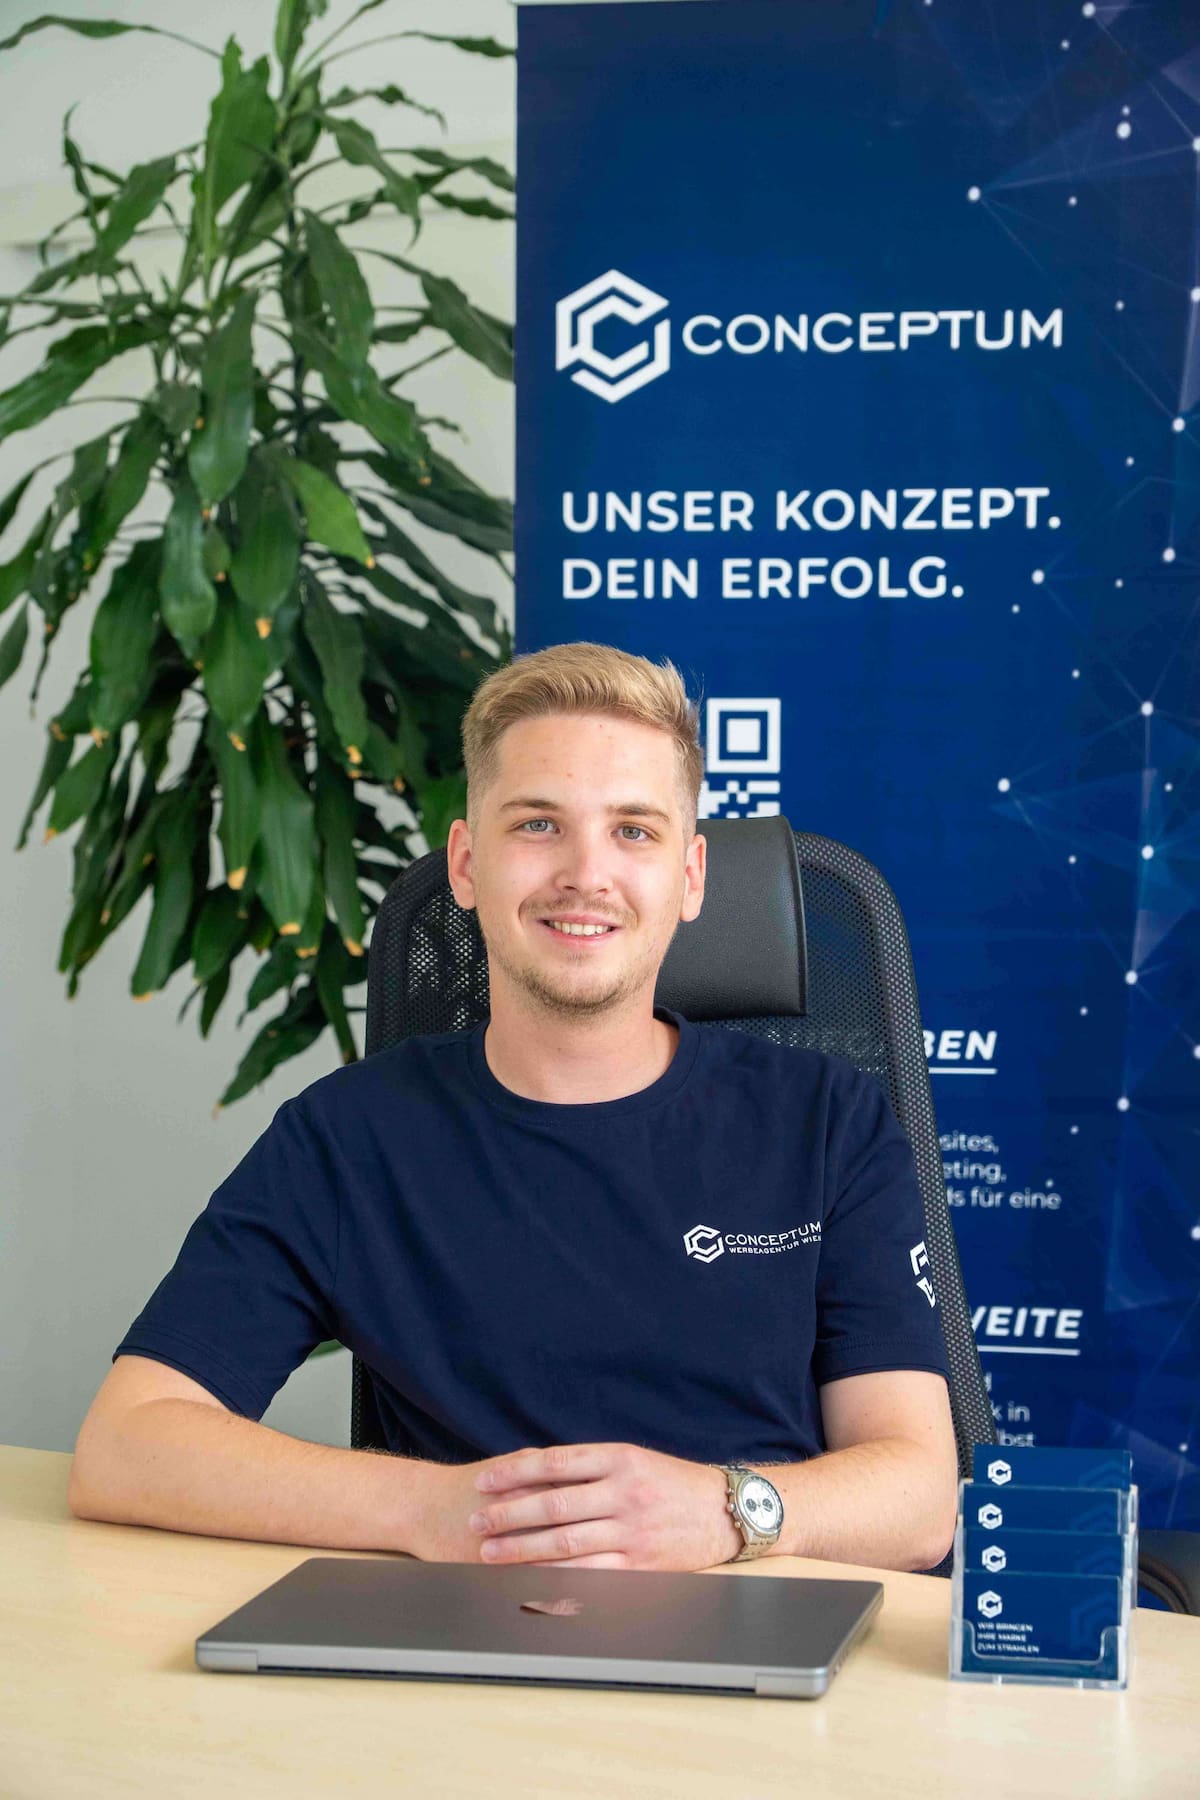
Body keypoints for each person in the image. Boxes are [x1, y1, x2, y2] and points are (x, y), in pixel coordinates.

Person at [69, 642, 958, 1574]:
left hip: (759, 1609)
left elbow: (919, 1496)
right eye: (538, 824)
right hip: (458, 1625)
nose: (586, 874)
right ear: (465, 863)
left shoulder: (827, 1121)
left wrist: (723, 1510)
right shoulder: (348, 1138)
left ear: (692, 877)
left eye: (634, 831)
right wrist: (437, 1509)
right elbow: (127, 1445)